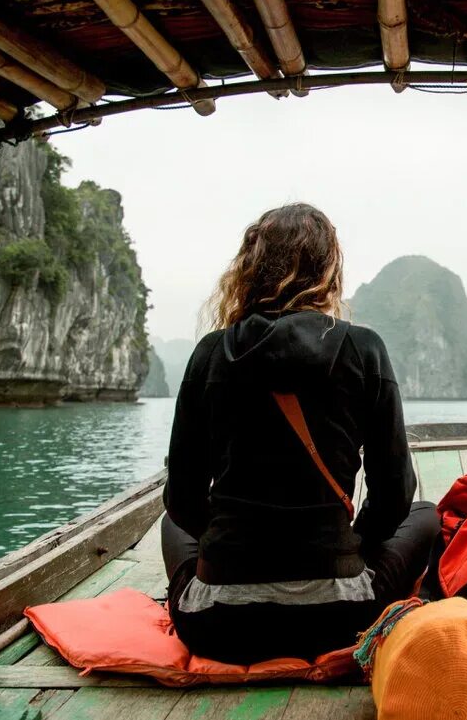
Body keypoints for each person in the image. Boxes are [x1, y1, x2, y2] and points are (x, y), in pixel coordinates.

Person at [160, 203, 439, 664]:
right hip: (340, 618)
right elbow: (395, 494)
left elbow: (183, 499)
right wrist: (350, 548)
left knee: (172, 523)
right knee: (425, 514)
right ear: (329, 271)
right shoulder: (364, 349)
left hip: (217, 627)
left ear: (248, 269)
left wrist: (236, 551)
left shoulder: (209, 354)